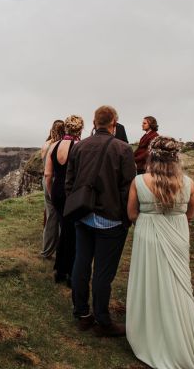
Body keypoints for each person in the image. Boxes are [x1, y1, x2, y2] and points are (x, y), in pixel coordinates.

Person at [126, 136, 194, 369]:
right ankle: (178, 328)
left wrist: (149, 221)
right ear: (176, 157)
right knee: (179, 285)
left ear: (152, 156)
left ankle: (149, 330)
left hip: (148, 233)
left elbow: (131, 214)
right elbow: (190, 214)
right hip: (178, 233)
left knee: (150, 281)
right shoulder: (189, 182)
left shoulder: (139, 181)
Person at [66, 105, 135, 336]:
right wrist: (126, 219)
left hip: (83, 216)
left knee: (81, 265)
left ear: (94, 123)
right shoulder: (123, 149)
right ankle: (103, 321)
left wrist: (74, 207)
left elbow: (70, 181)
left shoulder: (80, 146)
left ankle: (82, 314)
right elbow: (128, 187)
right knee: (103, 274)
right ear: (114, 123)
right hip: (111, 220)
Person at [44, 115, 84, 286]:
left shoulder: (54, 145)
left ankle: (59, 270)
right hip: (73, 193)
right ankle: (69, 273)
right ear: (80, 129)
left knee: (64, 229)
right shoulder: (80, 146)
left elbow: (48, 175)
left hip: (58, 191)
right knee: (72, 233)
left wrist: (52, 193)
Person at [40, 120, 65, 258]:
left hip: (46, 180)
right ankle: (61, 251)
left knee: (50, 217)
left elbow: (44, 168)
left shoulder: (46, 145)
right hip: (57, 181)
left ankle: (46, 250)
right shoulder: (62, 146)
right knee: (62, 216)